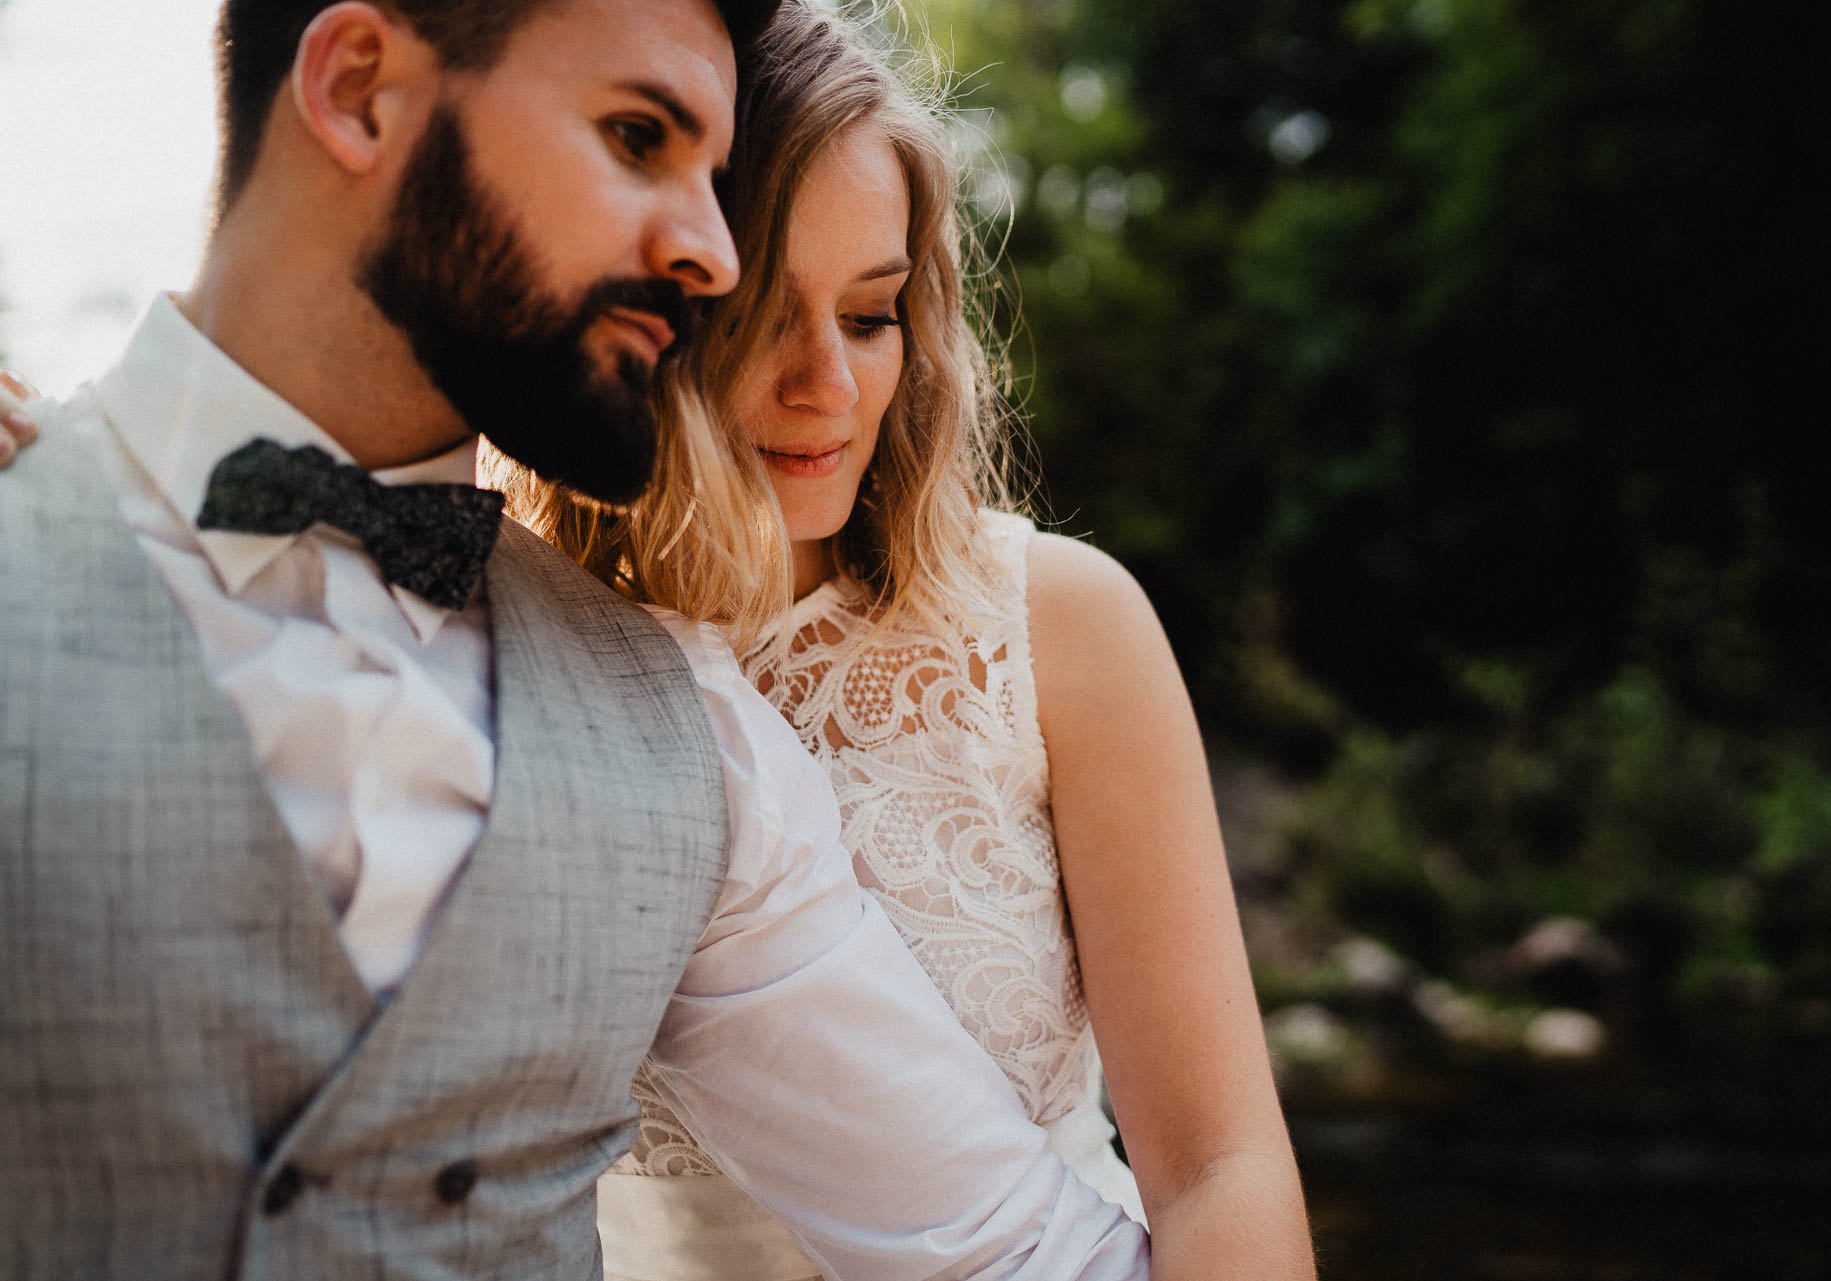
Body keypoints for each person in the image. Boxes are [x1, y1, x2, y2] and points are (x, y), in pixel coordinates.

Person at [0, 2, 1151, 1279]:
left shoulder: (690, 731)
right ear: (361, 90)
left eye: (716, 179)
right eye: (638, 137)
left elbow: (1020, 1250)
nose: (710, 252)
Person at [496, 6, 1319, 1280]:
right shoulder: (500, 652)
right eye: (760, 314)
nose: (828, 383)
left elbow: (1222, 1166)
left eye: (871, 315)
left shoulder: (1057, 629)